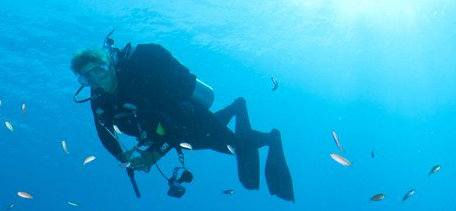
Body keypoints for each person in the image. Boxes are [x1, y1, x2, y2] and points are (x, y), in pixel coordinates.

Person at [71, 39, 293, 201]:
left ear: (109, 63)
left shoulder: (138, 81)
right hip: (177, 136)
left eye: (99, 70)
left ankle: (273, 138)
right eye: (87, 76)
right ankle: (237, 106)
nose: (97, 79)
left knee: (233, 146)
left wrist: (154, 154)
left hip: (191, 119)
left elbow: (176, 121)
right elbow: (103, 131)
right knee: (207, 142)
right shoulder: (99, 100)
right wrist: (121, 155)